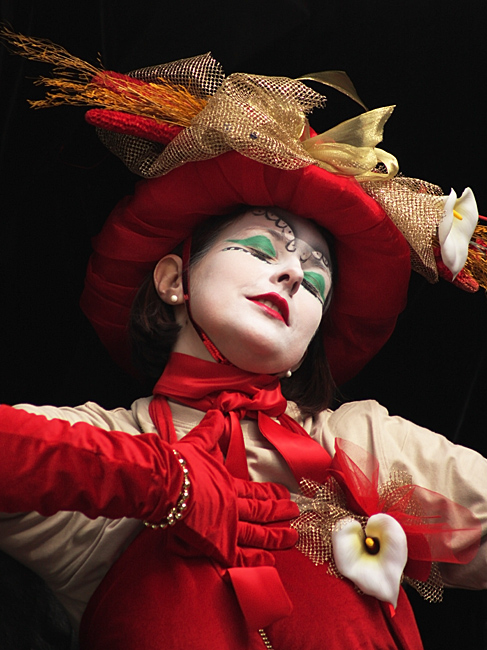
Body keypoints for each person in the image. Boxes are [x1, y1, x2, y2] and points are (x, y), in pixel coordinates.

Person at [1, 32, 487, 649]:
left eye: (316, 281)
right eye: (260, 249)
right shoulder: (111, 440)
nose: (292, 275)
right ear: (174, 280)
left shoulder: (360, 442)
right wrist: (161, 482)